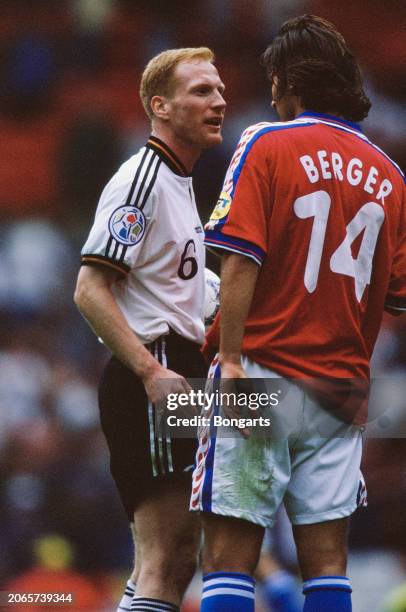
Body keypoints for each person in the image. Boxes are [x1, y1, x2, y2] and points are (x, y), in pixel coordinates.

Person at [190, 15, 406, 612]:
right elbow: (396, 295)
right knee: (328, 564)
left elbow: (241, 259)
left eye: (273, 81)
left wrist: (230, 359)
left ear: (289, 80)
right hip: (341, 386)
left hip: (261, 372)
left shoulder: (266, 141)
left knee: (228, 557)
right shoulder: (390, 176)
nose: (271, 94)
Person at [74, 47, 226, 612]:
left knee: (176, 556)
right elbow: (89, 288)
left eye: (219, 90)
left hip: (180, 367)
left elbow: (182, 290)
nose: (219, 101)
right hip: (158, 369)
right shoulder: (143, 178)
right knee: (167, 556)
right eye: (201, 91)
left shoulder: (181, 183)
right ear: (160, 106)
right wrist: (151, 371)